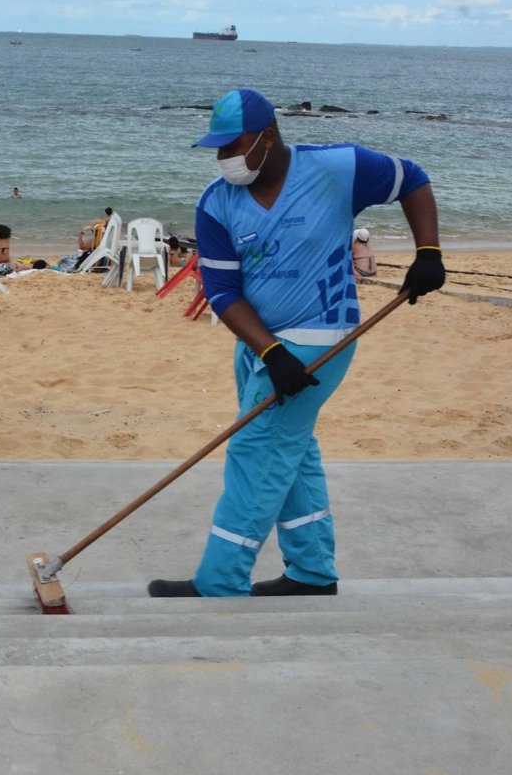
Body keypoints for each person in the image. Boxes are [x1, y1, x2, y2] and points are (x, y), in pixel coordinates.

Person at [148, 88, 444, 599]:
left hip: (321, 336)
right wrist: (269, 351)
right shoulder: (216, 202)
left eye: (231, 146)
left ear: (267, 138)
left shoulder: (339, 168)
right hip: (260, 345)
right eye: (216, 149)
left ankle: (219, 581)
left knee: (256, 451)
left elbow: (412, 180)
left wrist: (430, 252)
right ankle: (312, 572)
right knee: (292, 449)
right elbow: (222, 292)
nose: (223, 159)